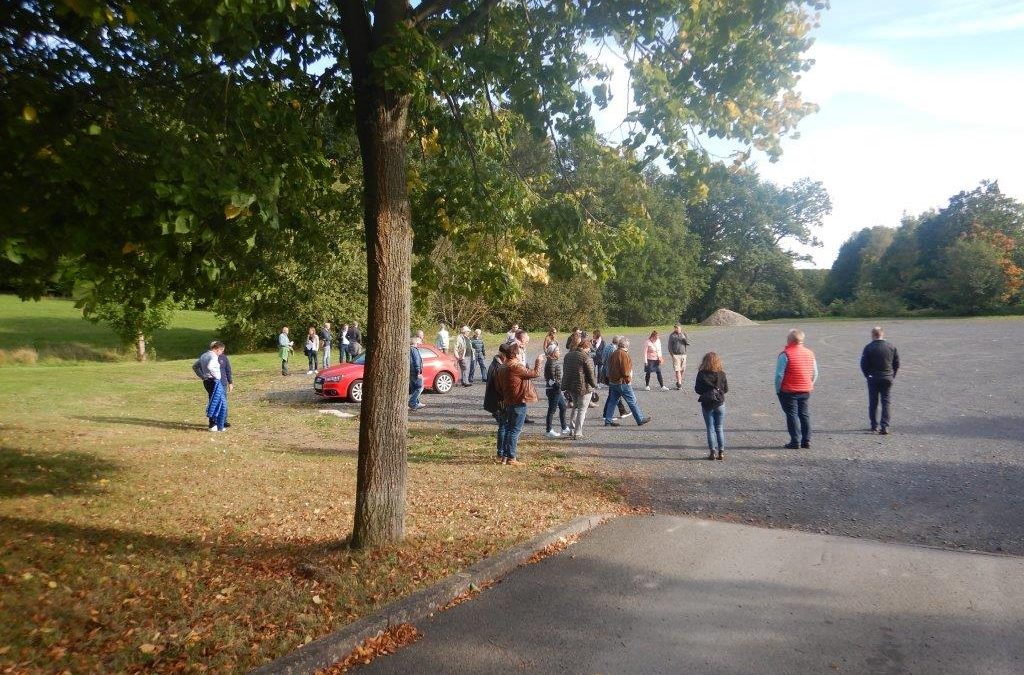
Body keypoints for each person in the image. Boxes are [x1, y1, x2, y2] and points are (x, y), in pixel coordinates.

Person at [498, 343, 542, 465]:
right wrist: (538, 362)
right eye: (520, 352)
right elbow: (534, 373)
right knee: (515, 430)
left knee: (508, 429)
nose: (522, 354)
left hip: (508, 401)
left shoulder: (503, 366)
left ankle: (504, 456)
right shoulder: (515, 366)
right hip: (517, 402)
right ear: (516, 354)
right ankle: (512, 458)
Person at [776, 328, 818, 449]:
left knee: (792, 415)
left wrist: (778, 389)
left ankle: (795, 441)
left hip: (789, 390)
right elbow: (815, 372)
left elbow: (779, 375)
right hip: (805, 389)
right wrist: (809, 383)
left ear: (790, 340)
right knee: (804, 414)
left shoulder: (785, 354)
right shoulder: (810, 353)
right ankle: (806, 440)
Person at [602, 337, 652, 427]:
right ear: (625, 345)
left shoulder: (614, 353)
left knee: (612, 402)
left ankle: (608, 421)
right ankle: (639, 419)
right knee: (632, 401)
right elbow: (625, 371)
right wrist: (628, 380)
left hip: (613, 382)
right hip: (622, 382)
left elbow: (608, 367)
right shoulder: (623, 354)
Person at [861, 326, 900, 435]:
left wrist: (867, 375)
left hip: (873, 378)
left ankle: (874, 426)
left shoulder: (868, 347)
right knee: (886, 402)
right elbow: (896, 364)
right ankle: (885, 426)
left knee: (873, 402)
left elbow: (863, 364)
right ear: (882, 334)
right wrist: (892, 375)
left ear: (873, 335)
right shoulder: (891, 346)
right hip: (887, 377)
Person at [694, 352, 729, 460]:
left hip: (707, 404)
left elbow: (697, 390)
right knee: (719, 428)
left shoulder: (701, 374)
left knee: (710, 428)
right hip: (719, 403)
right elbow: (726, 389)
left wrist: (706, 391)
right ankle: (721, 452)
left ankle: (712, 452)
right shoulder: (721, 374)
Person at [562, 337, 598, 439]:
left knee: (576, 407)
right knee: (582, 409)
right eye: (589, 349)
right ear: (585, 347)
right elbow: (591, 374)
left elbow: (566, 370)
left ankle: (572, 428)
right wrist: (594, 385)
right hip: (584, 387)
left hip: (571, 385)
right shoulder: (586, 358)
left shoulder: (568, 355)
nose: (589, 351)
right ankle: (578, 433)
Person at [484, 343, 511, 463]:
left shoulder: (497, 364)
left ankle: (503, 452)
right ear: (503, 354)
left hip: (498, 401)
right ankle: (501, 453)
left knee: (503, 426)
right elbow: (498, 388)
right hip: (499, 402)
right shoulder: (497, 366)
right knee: (503, 427)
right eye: (508, 356)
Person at [193, 341, 227, 430]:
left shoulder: (204, 355)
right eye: (221, 350)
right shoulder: (213, 356)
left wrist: (203, 376)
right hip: (214, 381)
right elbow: (210, 366)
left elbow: (195, 366)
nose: (221, 353)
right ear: (217, 349)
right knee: (217, 402)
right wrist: (217, 376)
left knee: (214, 401)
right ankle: (213, 425)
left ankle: (217, 425)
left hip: (207, 381)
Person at [543, 344, 569, 438]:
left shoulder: (552, 361)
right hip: (553, 390)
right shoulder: (551, 363)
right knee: (552, 410)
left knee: (563, 407)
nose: (559, 352)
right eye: (558, 351)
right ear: (553, 352)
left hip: (556, 390)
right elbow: (552, 379)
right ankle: (548, 430)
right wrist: (559, 387)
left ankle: (564, 427)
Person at [668, 324, 690, 390]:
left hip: (683, 354)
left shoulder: (684, 334)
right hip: (676, 355)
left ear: (680, 328)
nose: (676, 329)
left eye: (677, 327)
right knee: (677, 370)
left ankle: (678, 381)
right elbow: (669, 346)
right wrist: (672, 355)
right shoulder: (672, 335)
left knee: (682, 370)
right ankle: (679, 384)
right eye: (675, 328)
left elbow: (688, 343)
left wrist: (684, 339)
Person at [218, 344, 234, 429]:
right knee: (215, 401)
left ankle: (224, 421)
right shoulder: (211, 357)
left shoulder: (224, 357)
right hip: (214, 383)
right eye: (221, 349)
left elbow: (228, 370)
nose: (222, 351)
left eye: (223, 350)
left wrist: (230, 383)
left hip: (223, 383)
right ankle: (214, 421)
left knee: (224, 402)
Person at [409, 339, 425, 409]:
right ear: (415, 343)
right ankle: (412, 402)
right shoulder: (414, 350)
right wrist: (418, 372)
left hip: (410, 371)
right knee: (420, 387)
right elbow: (417, 361)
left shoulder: (409, 349)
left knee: (414, 388)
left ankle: (416, 403)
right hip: (415, 371)